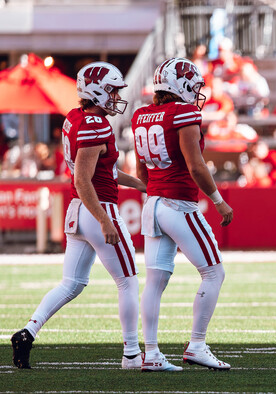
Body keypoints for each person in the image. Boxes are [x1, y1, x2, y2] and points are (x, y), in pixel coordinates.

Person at [11, 62, 146, 369]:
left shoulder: (75, 118)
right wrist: (104, 219)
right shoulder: (97, 125)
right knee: (127, 281)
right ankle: (132, 354)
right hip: (97, 208)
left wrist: (141, 184)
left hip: (79, 210)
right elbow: (82, 180)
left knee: (71, 283)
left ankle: (27, 333)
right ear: (97, 91)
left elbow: (104, 171)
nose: (115, 97)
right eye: (111, 91)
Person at [132, 57, 234, 372]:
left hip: (153, 203)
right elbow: (196, 165)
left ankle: (150, 353)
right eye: (194, 85)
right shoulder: (183, 112)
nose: (198, 92)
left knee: (155, 280)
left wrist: (155, 195)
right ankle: (197, 345)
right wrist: (218, 200)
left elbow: (140, 170)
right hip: (178, 204)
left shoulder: (141, 115)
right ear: (181, 85)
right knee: (214, 273)